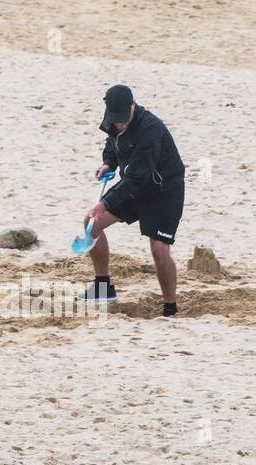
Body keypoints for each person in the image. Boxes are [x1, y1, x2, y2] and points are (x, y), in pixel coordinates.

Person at [81, 85, 186, 316]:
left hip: (163, 191)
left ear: (133, 105)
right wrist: (109, 163)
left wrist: (105, 202)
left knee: (159, 249)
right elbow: (112, 145)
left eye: (122, 119)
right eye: (114, 119)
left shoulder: (151, 129)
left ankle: (170, 307)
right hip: (135, 186)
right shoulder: (114, 119)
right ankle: (102, 286)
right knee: (92, 222)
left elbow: (137, 179)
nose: (119, 124)